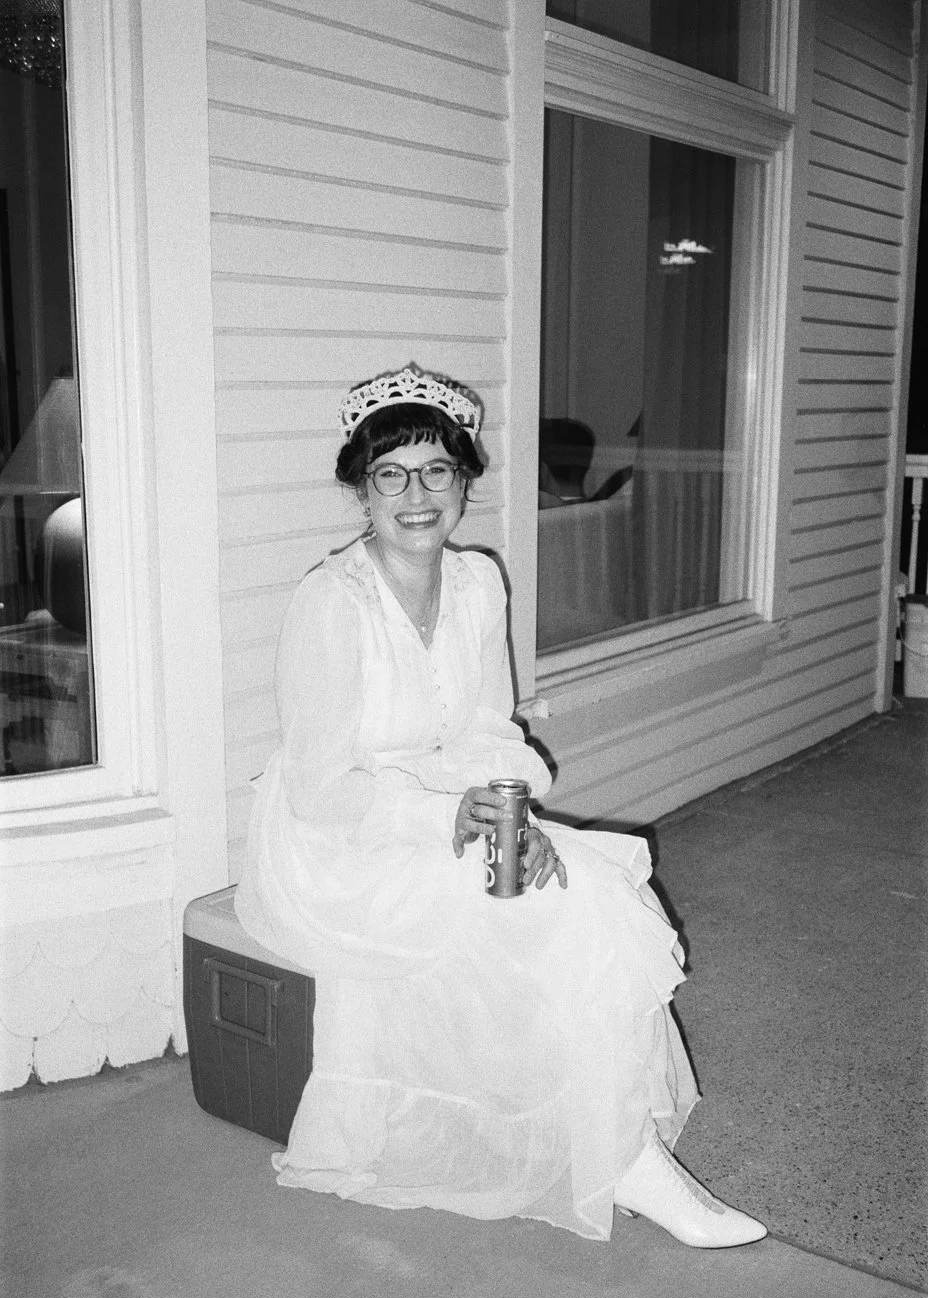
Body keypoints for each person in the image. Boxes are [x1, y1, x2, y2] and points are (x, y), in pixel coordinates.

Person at [234, 363, 767, 1249]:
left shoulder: (479, 581)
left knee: (595, 892)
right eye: (390, 475)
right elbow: (320, 789)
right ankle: (627, 1161)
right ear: (360, 490)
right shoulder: (330, 603)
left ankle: (621, 1150)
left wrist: (506, 817)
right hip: (343, 840)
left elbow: (487, 726)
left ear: (464, 481)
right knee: (555, 913)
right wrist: (449, 821)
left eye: (436, 471)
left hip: (453, 804)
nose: (416, 496)